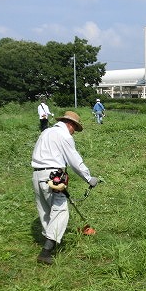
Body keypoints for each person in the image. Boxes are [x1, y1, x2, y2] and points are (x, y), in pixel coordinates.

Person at [31, 111, 99, 265]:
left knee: (46, 211)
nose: (74, 132)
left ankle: (48, 241)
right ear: (70, 124)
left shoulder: (46, 132)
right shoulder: (64, 136)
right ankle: (46, 252)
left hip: (37, 175)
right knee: (61, 211)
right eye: (75, 129)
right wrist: (89, 178)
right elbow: (75, 160)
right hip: (52, 176)